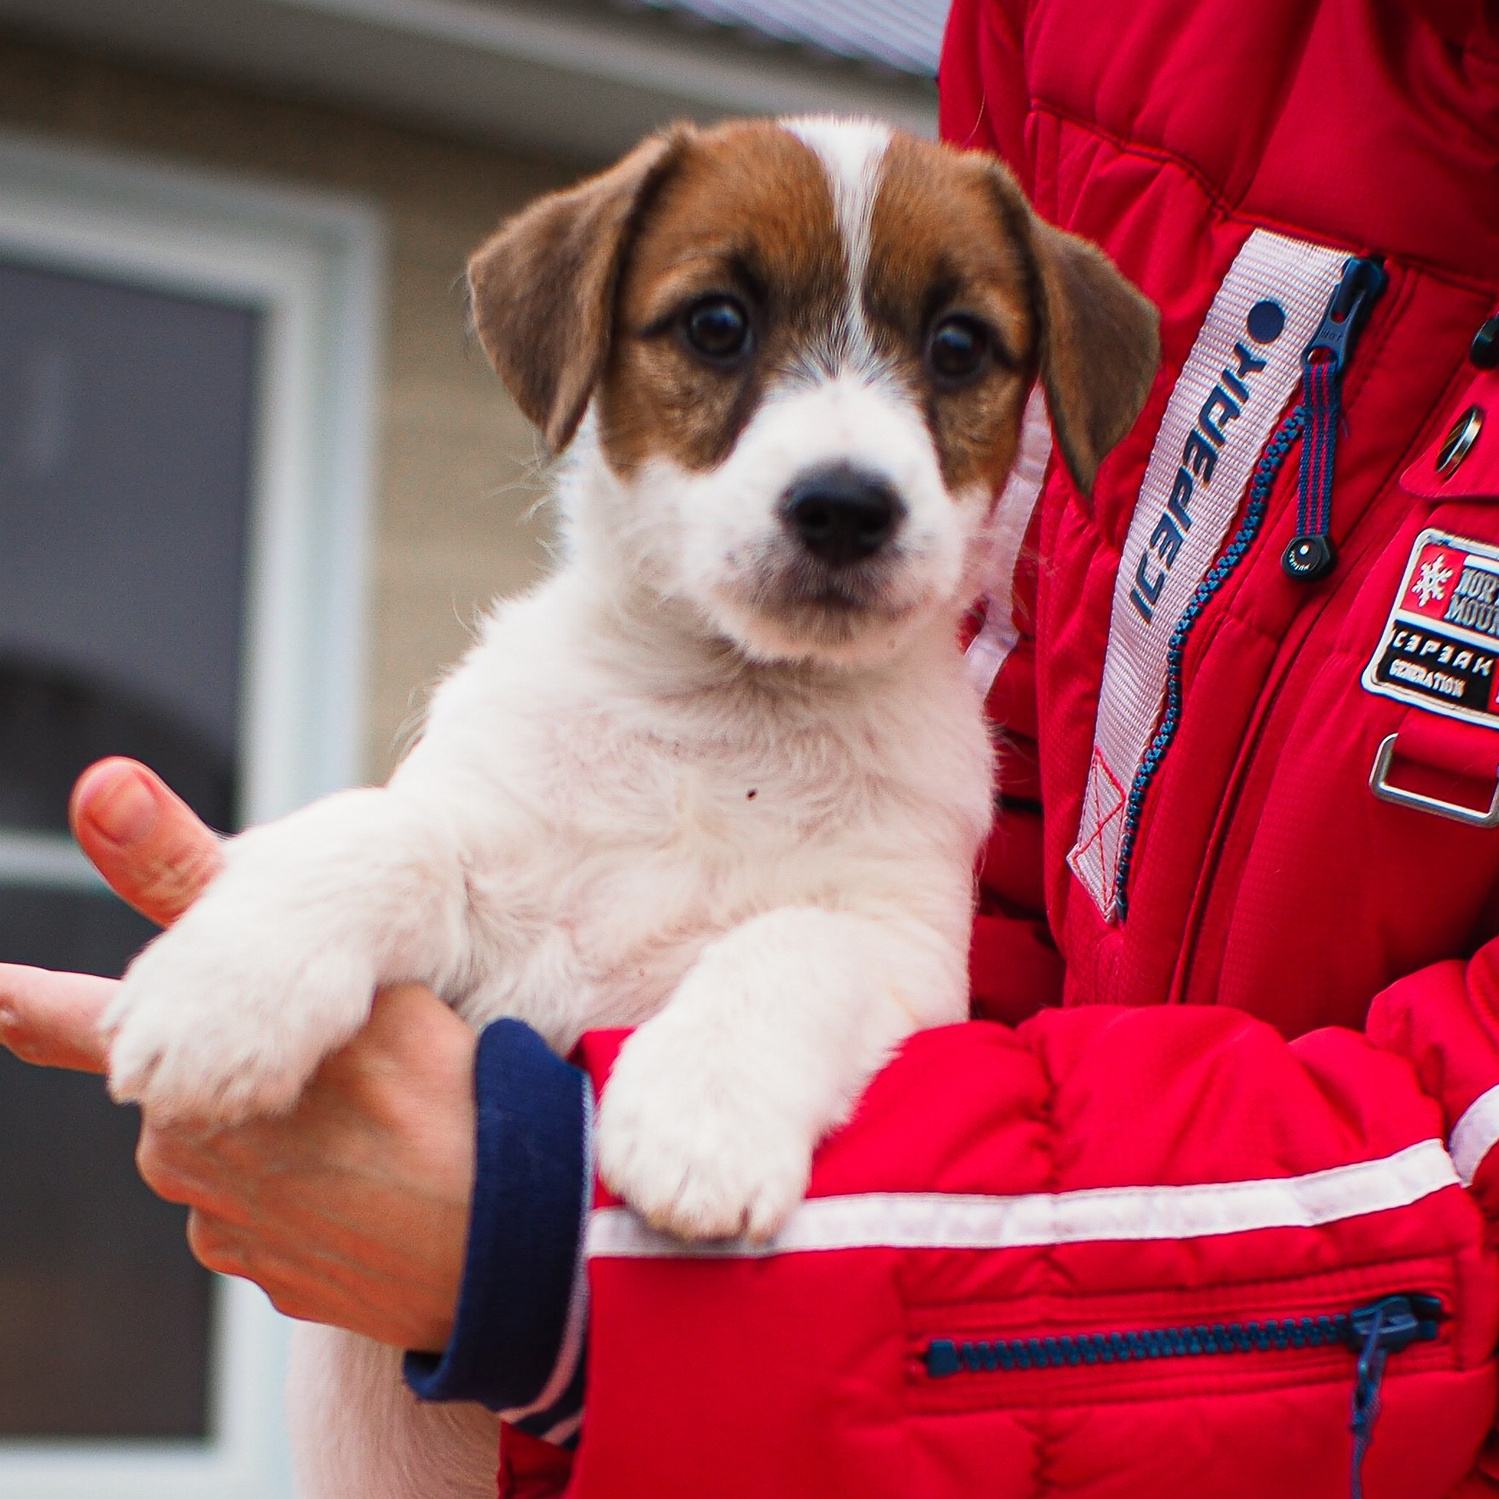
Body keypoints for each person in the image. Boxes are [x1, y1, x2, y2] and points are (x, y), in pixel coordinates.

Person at [6, 0, 1499, 1493]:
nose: (844, 458)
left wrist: (697, 1079)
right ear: (571, 349)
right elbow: (444, 861)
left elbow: (896, 970)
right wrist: (315, 901)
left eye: (956, 350)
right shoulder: (534, 693)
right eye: (719, 331)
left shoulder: (925, 769)